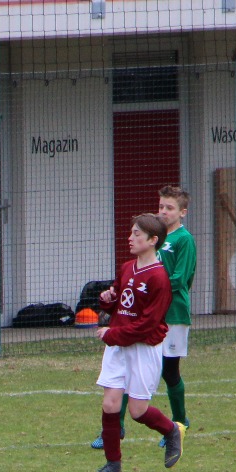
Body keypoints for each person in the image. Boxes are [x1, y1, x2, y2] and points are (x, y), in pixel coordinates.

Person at [93, 183, 196, 449]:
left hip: (172, 313)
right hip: (143, 313)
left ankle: (179, 422)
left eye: (169, 208)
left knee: (169, 371)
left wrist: (151, 291)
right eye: (161, 206)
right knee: (124, 371)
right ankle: (116, 428)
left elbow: (179, 278)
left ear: (182, 212)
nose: (163, 212)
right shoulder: (150, 240)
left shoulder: (183, 240)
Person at [89, 214, 185, 472]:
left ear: (153, 240)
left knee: (137, 411)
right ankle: (113, 465)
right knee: (110, 403)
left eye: (136, 234)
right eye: (131, 232)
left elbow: (147, 325)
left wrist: (112, 333)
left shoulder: (159, 278)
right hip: (119, 345)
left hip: (143, 348)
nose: (130, 238)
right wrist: (107, 300)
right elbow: (120, 302)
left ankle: (171, 430)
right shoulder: (127, 268)